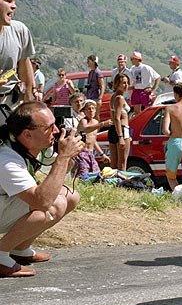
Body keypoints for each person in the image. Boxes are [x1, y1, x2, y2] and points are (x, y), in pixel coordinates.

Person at [0, 101, 83, 277]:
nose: (56, 131)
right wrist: (63, 156)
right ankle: (0, 256)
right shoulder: (6, 159)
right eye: (49, 127)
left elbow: (53, 182)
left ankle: (19, 249)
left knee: (70, 196)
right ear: (27, 135)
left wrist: (67, 156)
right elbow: (42, 201)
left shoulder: (25, 147)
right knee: (50, 207)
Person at [0, 0, 37, 123]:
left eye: (14, 2)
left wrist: (29, 95)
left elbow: (24, 63)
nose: (14, 6)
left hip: (11, 103)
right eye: (8, 1)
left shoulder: (19, 30)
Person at [75, 100, 109, 177]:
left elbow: (94, 140)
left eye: (93, 108)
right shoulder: (83, 121)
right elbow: (86, 129)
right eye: (89, 109)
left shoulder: (96, 122)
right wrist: (102, 124)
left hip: (91, 152)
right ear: (84, 111)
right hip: (81, 152)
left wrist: (102, 154)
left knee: (96, 173)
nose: (91, 111)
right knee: (83, 173)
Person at [109, 73, 132, 170]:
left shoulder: (113, 96)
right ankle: (121, 184)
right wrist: (121, 137)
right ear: (117, 84)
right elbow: (117, 118)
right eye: (123, 83)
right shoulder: (120, 98)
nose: (126, 85)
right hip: (121, 130)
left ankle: (114, 184)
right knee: (122, 163)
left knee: (114, 163)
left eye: (127, 83)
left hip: (113, 129)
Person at [85, 55, 105, 119]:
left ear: (93, 62)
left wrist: (100, 98)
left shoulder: (98, 73)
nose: (87, 62)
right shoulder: (90, 72)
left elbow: (102, 86)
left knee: (96, 115)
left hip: (96, 97)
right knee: (91, 116)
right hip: (90, 96)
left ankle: (97, 128)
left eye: (88, 61)